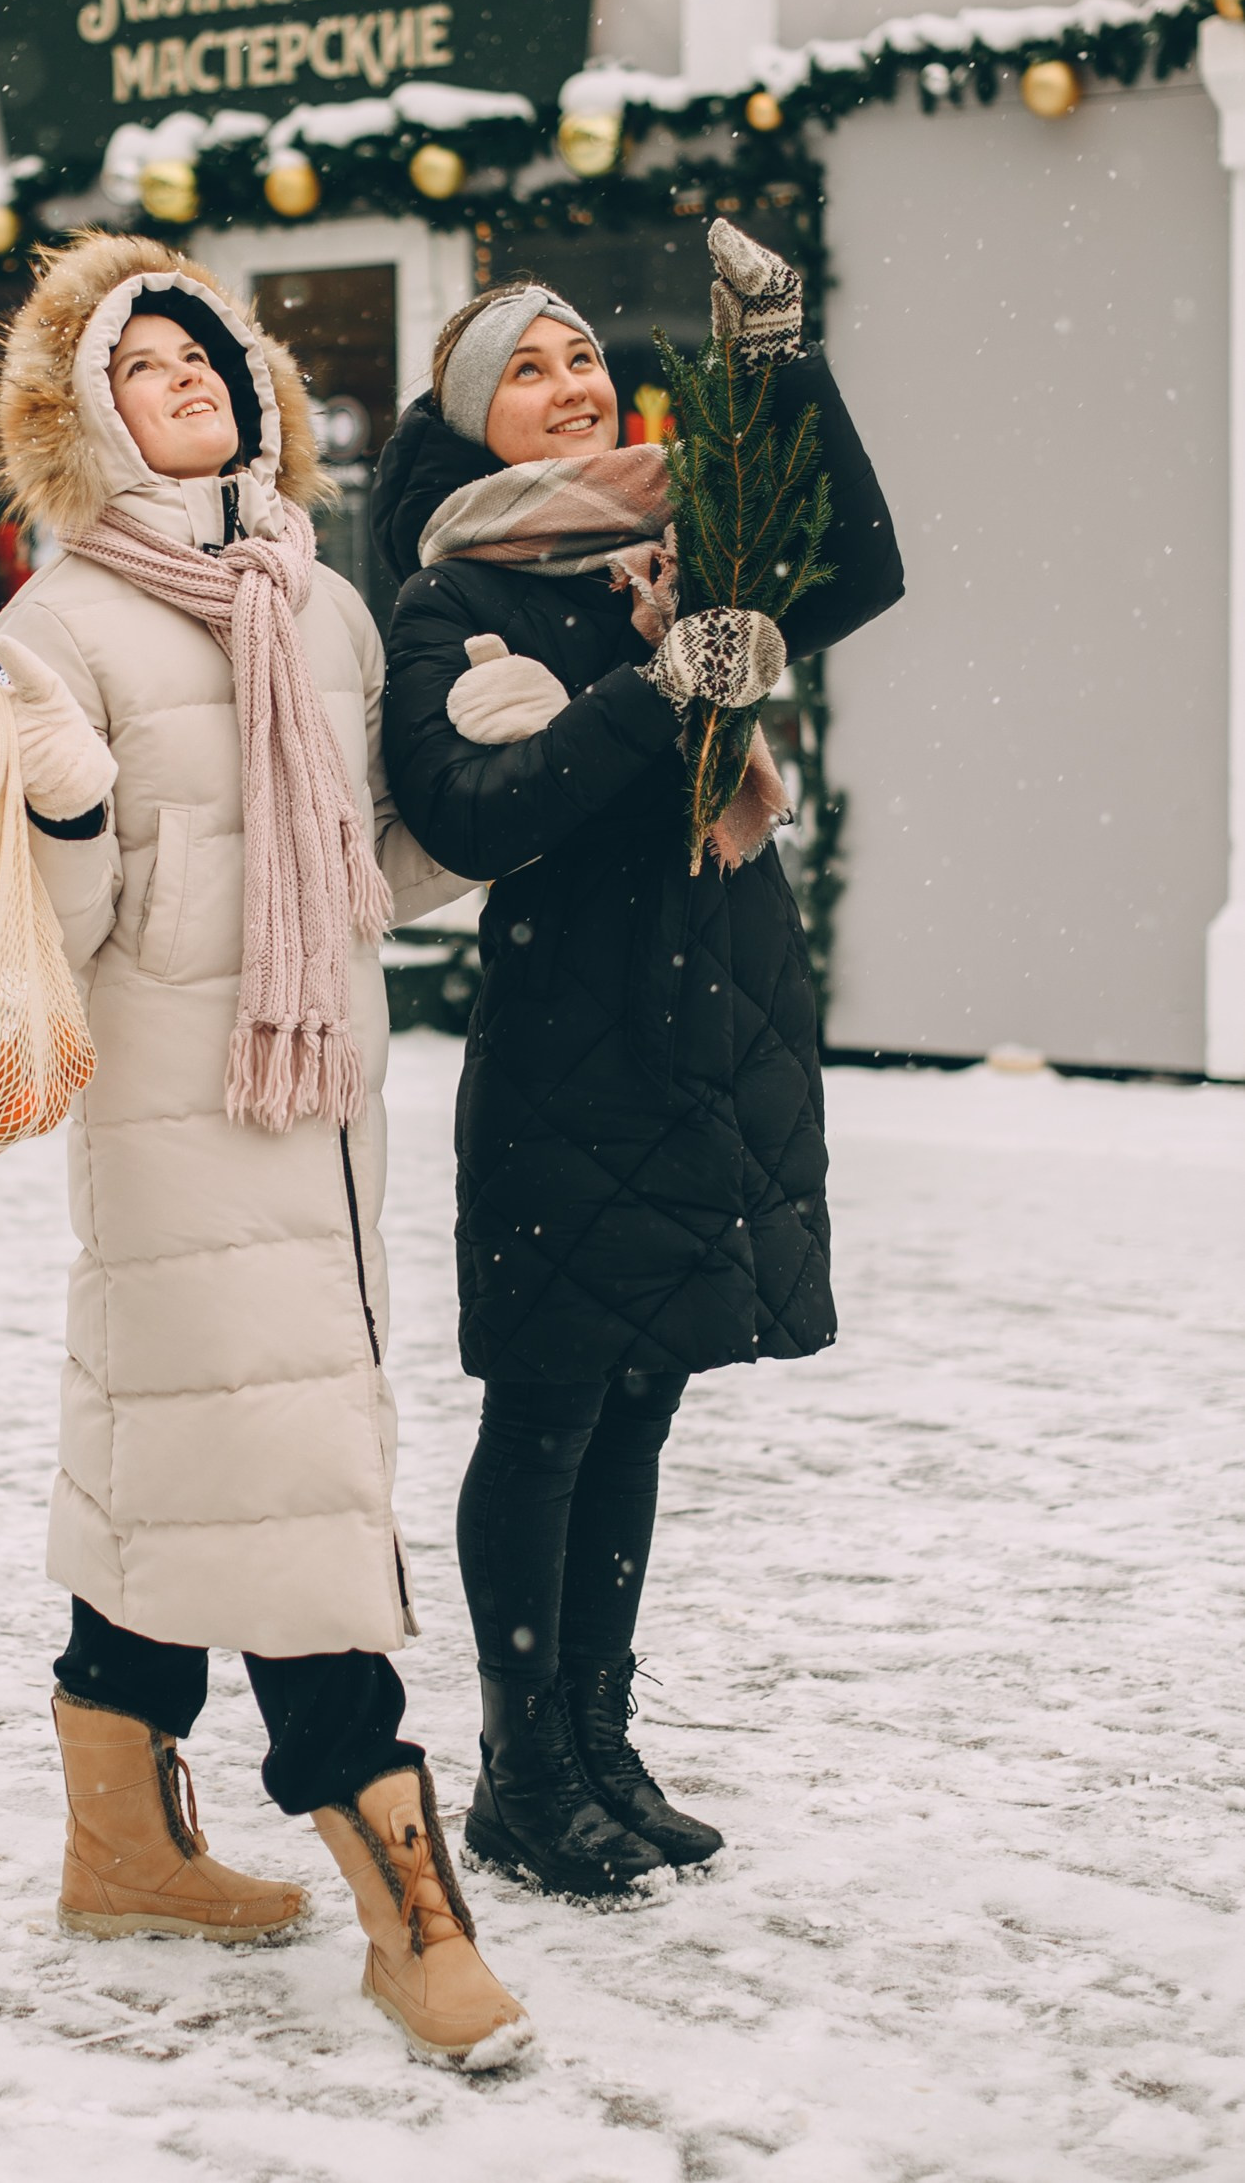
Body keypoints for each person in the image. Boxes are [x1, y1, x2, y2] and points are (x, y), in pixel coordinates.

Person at [0, 233, 529, 2071]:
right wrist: (61, 796)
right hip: (182, 1116)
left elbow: (374, 881)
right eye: (148, 364)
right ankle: (411, 1923)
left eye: (212, 358)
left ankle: (120, 1847)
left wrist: (476, 793)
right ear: (87, 413)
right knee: (282, 1491)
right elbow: (63, 930)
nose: (192, 382)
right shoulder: (53, 624)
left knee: (181, 1469)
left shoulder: (316, 608)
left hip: (328, 1120)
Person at [373, 223, 904, 1903]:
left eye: (581, 354)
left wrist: (773, 360)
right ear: (467, 422)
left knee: (641, 1394)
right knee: (544, 1407)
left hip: (711, 1008)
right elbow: (475, 814)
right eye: (521, 368)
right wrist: (661, 683)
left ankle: (601, 1745)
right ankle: (521, 1772)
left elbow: (861, 563)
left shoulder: (689, 528)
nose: (567, 382)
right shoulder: (449, 595)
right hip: (568, 1025)